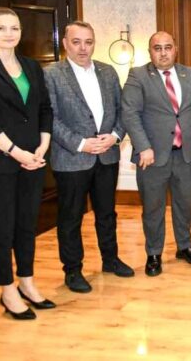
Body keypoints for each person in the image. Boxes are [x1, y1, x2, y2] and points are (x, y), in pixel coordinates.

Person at [44, 21, 133, 294]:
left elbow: (122, 110)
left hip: (107, 155)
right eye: (76, 42)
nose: (83, 48)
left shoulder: (108, 72)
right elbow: (50, 117)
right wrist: (81, 143)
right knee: (70, 217)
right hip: (71, 159)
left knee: (107, 213)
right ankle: (73, 270)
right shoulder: (51, 74)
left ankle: (110, 259)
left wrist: (115, 136)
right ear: (65, 44)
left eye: (88, 42)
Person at [122, 31, 191, 277]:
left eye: (168, 47)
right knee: (153, 209)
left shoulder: (190, 74)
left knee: (184, 205)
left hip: (186, 155)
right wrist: (143, 147)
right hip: (152, 157)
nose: (163, 53)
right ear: (150, 51)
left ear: (176, 49)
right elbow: (130, 114)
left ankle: (185, 246)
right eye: (157, 48)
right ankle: (154, 253)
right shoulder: (138, 75)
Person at [0, 7, 54, 320]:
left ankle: (27, 282)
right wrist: (16, 152)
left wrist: (42, 145)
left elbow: (45, 108)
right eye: (1, 28)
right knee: (3, 228)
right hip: (4, 161)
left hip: (34, 159)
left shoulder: (32, 67)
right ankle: (7, 290)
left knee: (26, 224)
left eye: (14, 28)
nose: (9, 34)